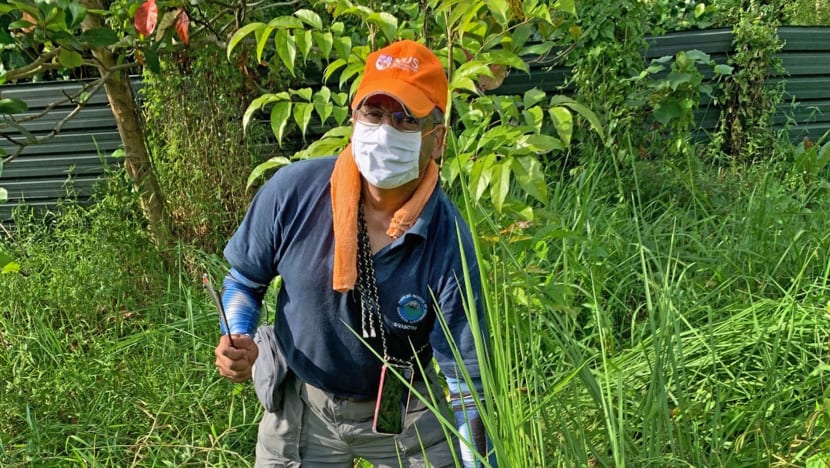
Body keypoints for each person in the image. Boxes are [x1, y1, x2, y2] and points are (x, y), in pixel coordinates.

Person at [213, 39, 493, 467]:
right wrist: (238, 337)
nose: (385, 131)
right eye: (374, 113)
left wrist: (479, 462)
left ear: (437, 139)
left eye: (406, 119)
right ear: (354, 119)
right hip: (303, 404)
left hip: (405, 408)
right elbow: (244, 282)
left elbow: (466, 383)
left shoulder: (448, 238)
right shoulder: (293, 192)